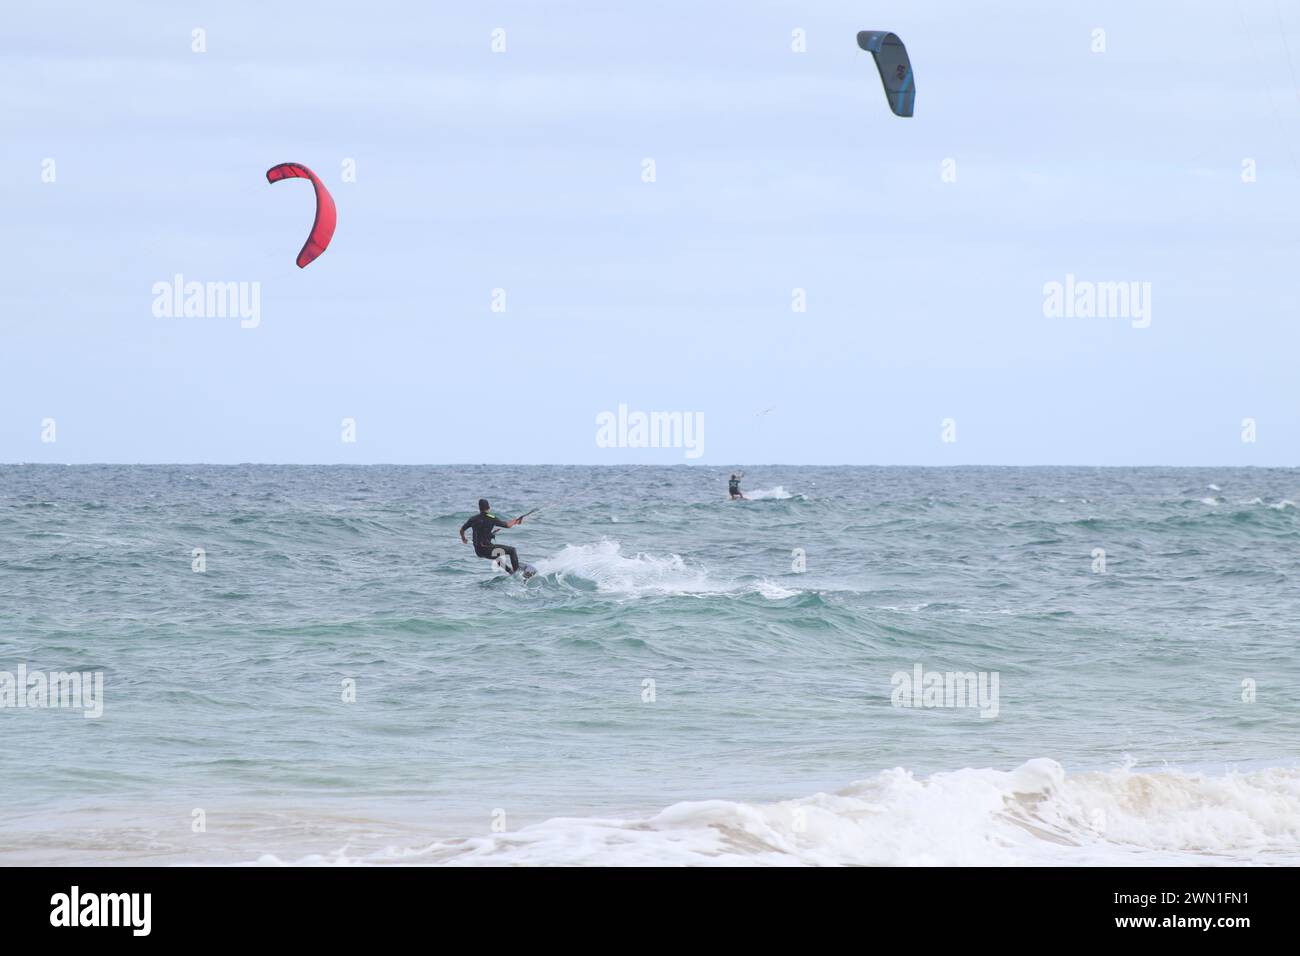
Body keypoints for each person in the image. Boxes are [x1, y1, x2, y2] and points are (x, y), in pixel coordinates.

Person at [460, 498, 526, 573]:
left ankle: (510, 571)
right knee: (512, 550)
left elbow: (462, 530)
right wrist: (515, 521)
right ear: (489, 508)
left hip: (478, 552)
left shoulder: (473, 519)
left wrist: (463, 539)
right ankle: (517, 572)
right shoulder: (491, 518)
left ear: (479, 508)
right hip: (487, 550)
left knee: (497, 556)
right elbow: (508, 525)